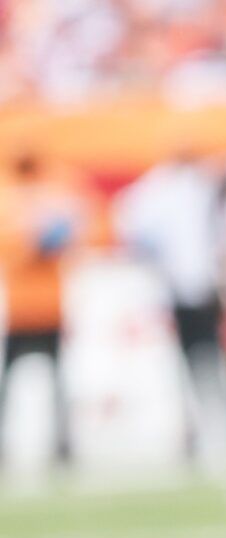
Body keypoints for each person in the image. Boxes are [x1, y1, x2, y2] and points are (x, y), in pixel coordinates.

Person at [113, 147, 226, 466]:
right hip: (186, 289)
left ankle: (218, 428)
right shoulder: (170, 189)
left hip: (195, 289)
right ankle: (207, 430)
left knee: (209, 363)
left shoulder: (182, 188)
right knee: (198, 363)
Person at [0, 148, 92, 469]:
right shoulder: (16, 202)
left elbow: (71, 237)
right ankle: (43, 443)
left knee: (55, 382)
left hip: (42, 306)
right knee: (21, 383)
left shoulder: (44, 199)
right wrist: (35, 242)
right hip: (27, 308)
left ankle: (62, 442)